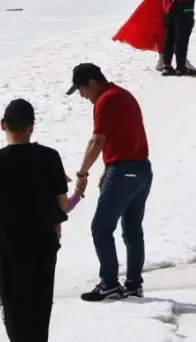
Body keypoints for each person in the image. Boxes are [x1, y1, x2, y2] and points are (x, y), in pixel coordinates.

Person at [0, 98, 69, 342]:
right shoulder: (50, 156)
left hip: (8, 249)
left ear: (3, 125)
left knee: (14, 312)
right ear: (31, 127)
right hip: (43, 245)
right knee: (40, 310)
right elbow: (62, 201)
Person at [67, 63, 153, 301]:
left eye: (82, 89)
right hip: (141, 170)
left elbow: (97, 141)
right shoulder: (123, 95)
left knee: (101, 228)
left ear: (92, 83)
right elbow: (124, 136)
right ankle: (134, 285)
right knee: (132, 230)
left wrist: (82, 173)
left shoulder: (105, 100)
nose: (83, 95)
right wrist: (108, 167)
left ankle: (110, 285)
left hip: (124, 171)